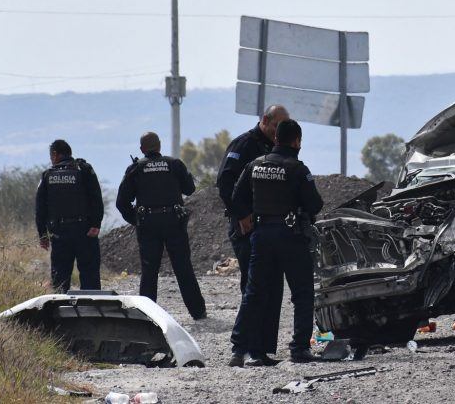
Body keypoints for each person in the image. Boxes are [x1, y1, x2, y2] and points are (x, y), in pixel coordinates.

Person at [228, 119, 324, 366]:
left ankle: (242, 350)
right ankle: (300, 348)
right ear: (297, 141)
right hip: (291, 236)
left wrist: (248, 218)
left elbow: (236, 199)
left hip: (261, 236)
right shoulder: (297, 169)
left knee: (255, 292)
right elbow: (315, 205)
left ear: (276, 139)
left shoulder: (254, 165)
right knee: (302, 293)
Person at [216, 105, 288, 365]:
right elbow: (224, 183)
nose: (280, 132)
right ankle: (241, 349)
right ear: (266, 121)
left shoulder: (277, 147)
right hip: (246, 228)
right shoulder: (244, 144)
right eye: (278, 125)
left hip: (270, 228)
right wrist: (241, 214)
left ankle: (260, 350)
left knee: (272, 288)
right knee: (254, 288)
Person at [116, 132, 207, 320]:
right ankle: (198, 312)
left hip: (148, 224)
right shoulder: (174, 164)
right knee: (183, 267)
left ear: (142, 149)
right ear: (159, 146)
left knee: (149, 271)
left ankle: (146, 315)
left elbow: (122, 202)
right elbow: (190, 189)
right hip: (174, 222)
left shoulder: (135, 168)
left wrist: (136, 219)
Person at [35, 139, 104, 293]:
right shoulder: (84, 170)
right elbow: (96, 198)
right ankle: (92, 310)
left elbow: (40, 208)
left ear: (54, 154)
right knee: (89, 274)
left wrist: (42, 234)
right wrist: (96, 224)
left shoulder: (48, 175)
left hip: (59, 233)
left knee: (60, 279)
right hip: (84, 231)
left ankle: (61, 312)